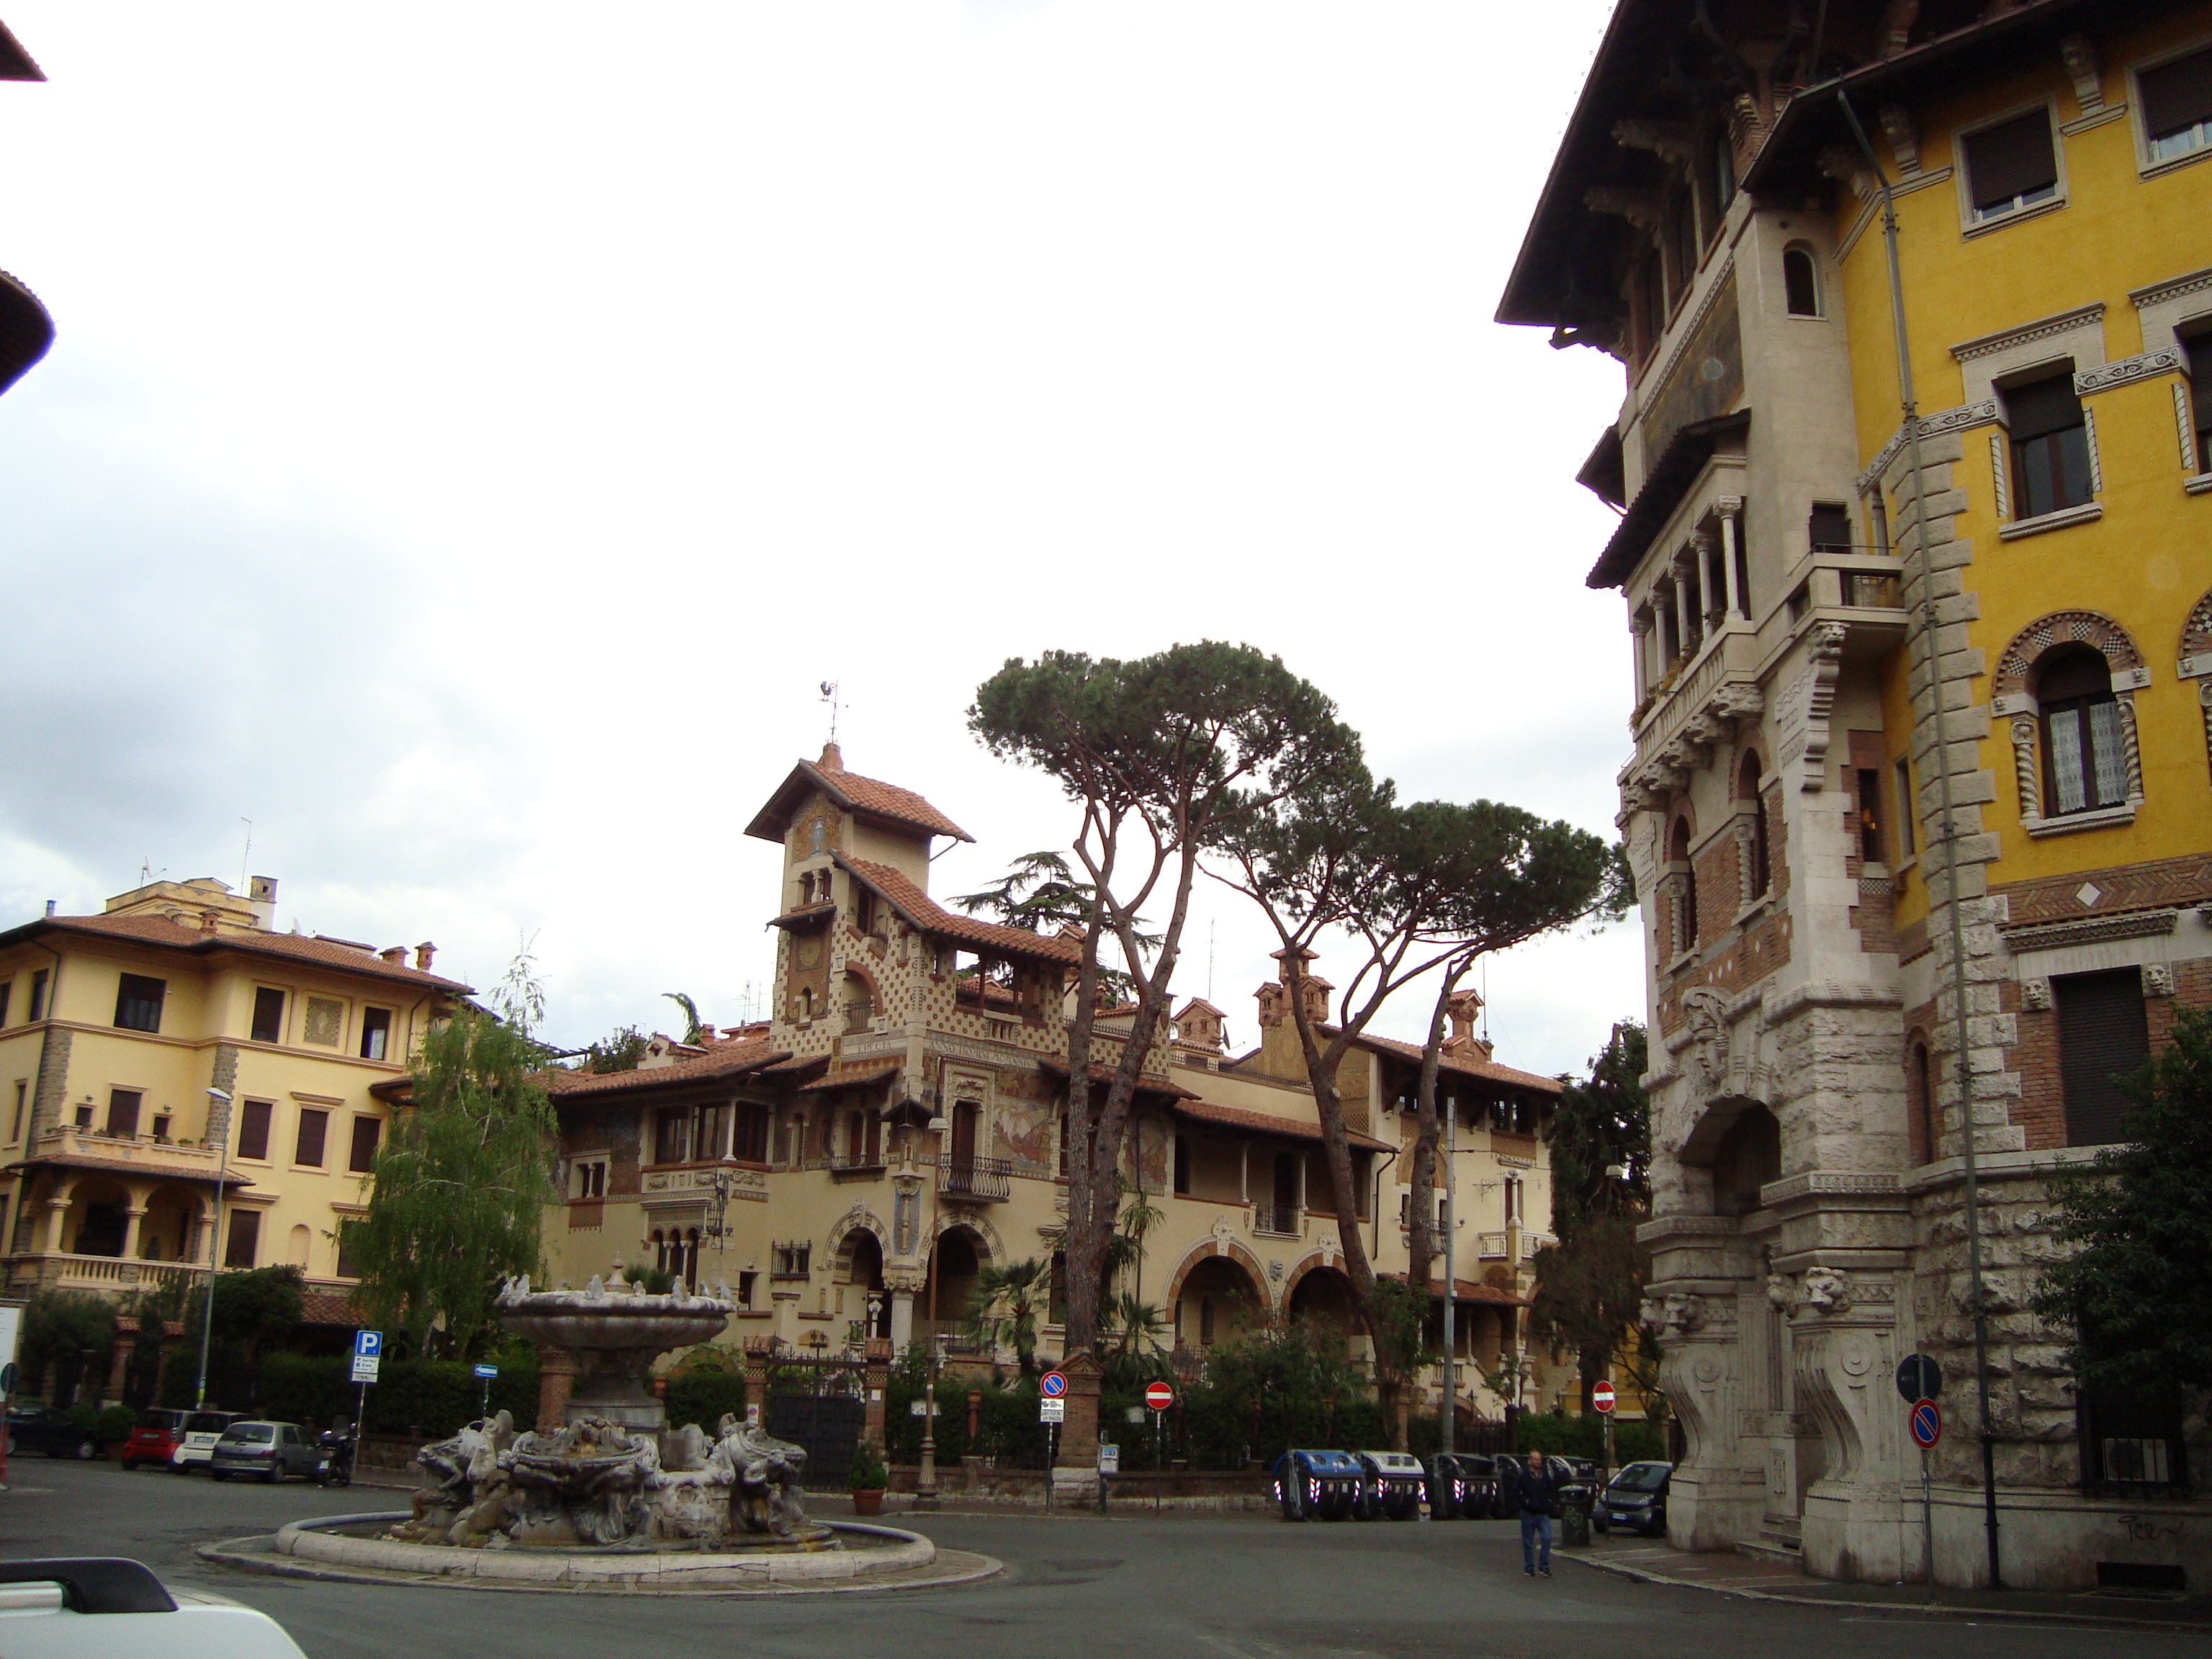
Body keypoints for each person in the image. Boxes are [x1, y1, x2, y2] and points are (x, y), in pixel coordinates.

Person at [1515, 1449, 1557, 1577]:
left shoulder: (1545, 1475)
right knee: (1528, 1542)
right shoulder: (1524, 1476)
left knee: (1547, 1538)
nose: (1538, 1462)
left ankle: (1544, 1566)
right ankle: (1529, 1567)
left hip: (1542, 1514)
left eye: (1540, 1459)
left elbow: (1551, 1491)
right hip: (1528, 1514)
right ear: (1530, 1461)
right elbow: (1517, 1492)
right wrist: (1526, 1503)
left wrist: (1550, 1503)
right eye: (1536, 1459)